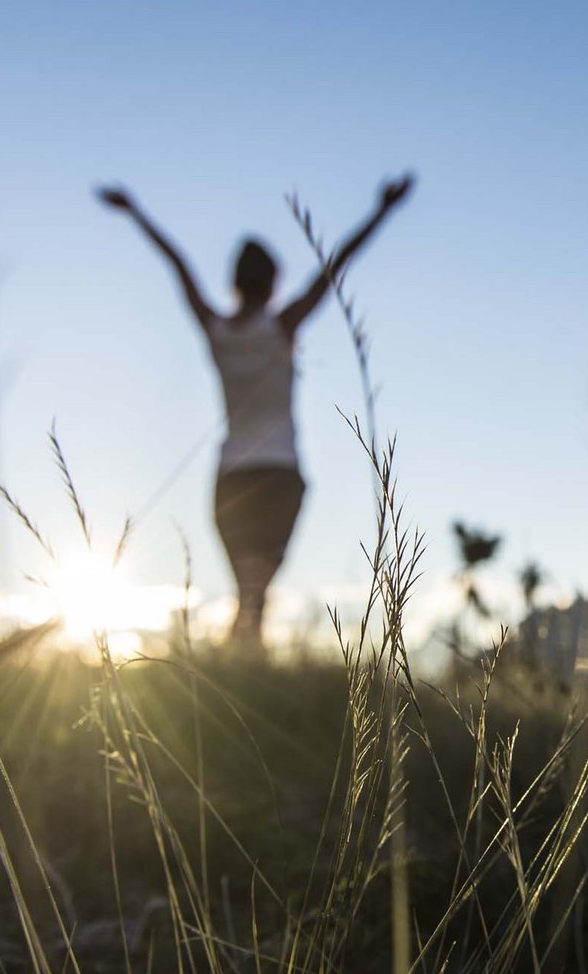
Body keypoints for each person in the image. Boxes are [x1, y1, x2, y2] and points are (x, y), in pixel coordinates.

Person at [96, 174, 415, 645]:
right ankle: (245, 659)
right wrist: (382, 210)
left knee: (249, 591)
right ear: (273, 283)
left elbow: (177, 265)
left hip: (232, 476)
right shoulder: (282, 326)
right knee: (255, 592)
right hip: (280, 475)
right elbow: (335, 264)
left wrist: (136, 211)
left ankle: (241, 657)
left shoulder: (216, 330)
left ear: (236, 283)